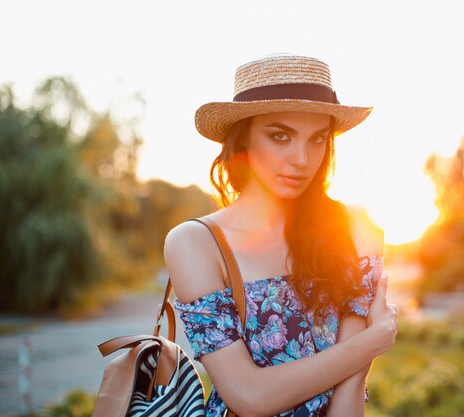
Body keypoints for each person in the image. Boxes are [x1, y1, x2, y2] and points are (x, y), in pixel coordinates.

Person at [164, 54, 398, 417]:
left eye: (317, 139)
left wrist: (361, 352)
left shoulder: (354, 230)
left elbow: (350, 389)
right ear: (243, 140)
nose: (302, 158)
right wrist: (371, 342)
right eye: (280, 136)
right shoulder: (196, 243)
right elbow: (248, 395)